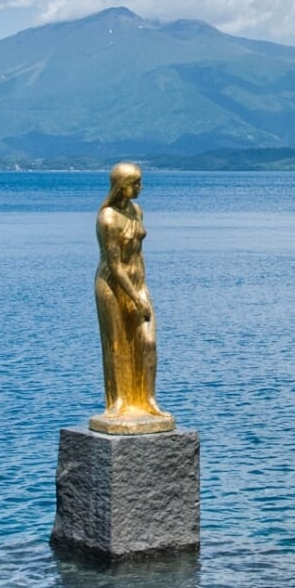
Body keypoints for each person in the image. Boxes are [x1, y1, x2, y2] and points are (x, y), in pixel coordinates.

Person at [90, 162, 174, 434]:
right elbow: (115, 266)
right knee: (117, 343)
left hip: (138, 282)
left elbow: (138, 254)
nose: (141, 188)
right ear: (121, 186)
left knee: (147, 341)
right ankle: (118, 402)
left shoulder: (137, 211)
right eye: (136, 183)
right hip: (113, 285)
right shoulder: (107, 218)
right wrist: (136, 299)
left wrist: (143, 290)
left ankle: (147, 400)